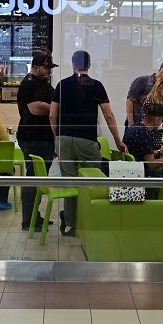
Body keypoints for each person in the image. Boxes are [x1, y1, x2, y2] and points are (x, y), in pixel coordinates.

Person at [51, 50, 127, 236]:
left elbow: (52, 115)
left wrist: (57, 137)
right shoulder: (96, 86)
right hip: (86, 140)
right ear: (89, 65)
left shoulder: (62, 85)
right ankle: (91, 222)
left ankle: (72, 224)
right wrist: (118, 140)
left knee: (70, 184)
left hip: (64, 140)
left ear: (73, 64)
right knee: (93, 181)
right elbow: (109, 115)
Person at [16, 51, 58, 231]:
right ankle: (28, 221)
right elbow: (36, 108)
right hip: (33, 137)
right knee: (33, 178)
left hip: (42, 137)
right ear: (34, 67)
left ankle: (34, 215)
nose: (49, 71)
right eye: (46, 67)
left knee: (38, 178)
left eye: (50, 68)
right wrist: (56, 107)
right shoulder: (29, 84)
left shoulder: (42, 83)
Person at [123, 102, 163, 199]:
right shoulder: (144, 133)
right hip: (144, 175)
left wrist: (159, 152)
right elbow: (151, 164)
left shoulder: (133, 128)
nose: (161, 123)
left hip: (131, 172)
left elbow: (138, 152)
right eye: (162, 120)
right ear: (156, 119)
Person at [125, 59, 163, 129]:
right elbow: (130, 101)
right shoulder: (142, 80)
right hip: (138, 127)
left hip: (154, 130)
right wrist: (131, 124)